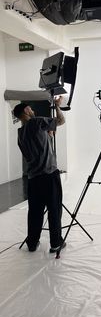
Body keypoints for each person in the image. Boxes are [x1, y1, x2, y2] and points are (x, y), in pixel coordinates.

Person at [13, 97, 66, 253]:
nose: (33, 110)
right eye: (30, 108)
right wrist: (57, 106)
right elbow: (61, 121)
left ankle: (32, 243)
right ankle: (56, 243)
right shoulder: (37, 122)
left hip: (33, 178)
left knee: (35, 212)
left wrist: (47, 136)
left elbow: (33, 151)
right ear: (26, 111)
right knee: (54, 209)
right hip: (49, 174)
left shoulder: (20, 133)